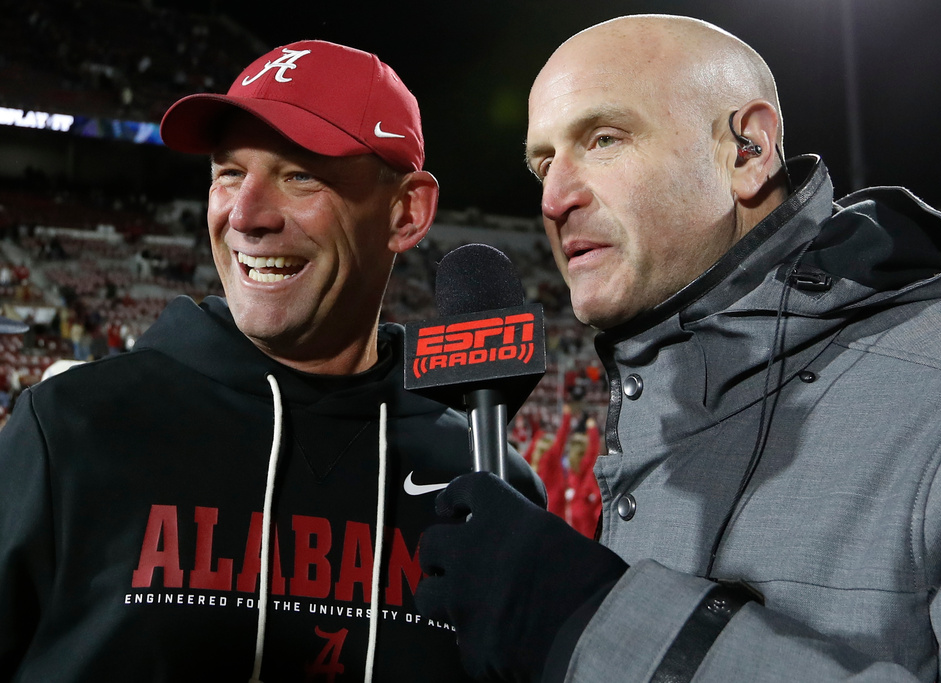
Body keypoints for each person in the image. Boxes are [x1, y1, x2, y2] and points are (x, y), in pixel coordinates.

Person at [414, 14, 941, 682]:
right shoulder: (659, 388)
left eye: (604, 139)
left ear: (747, 150)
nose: (555, 199)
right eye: (543, 164)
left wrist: (596, 623)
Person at [0, 40, 543, 682]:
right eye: (228, 173)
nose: (245, 215)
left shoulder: (484, 479)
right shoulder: (69, 428)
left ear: (406, 212)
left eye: (299, 175)